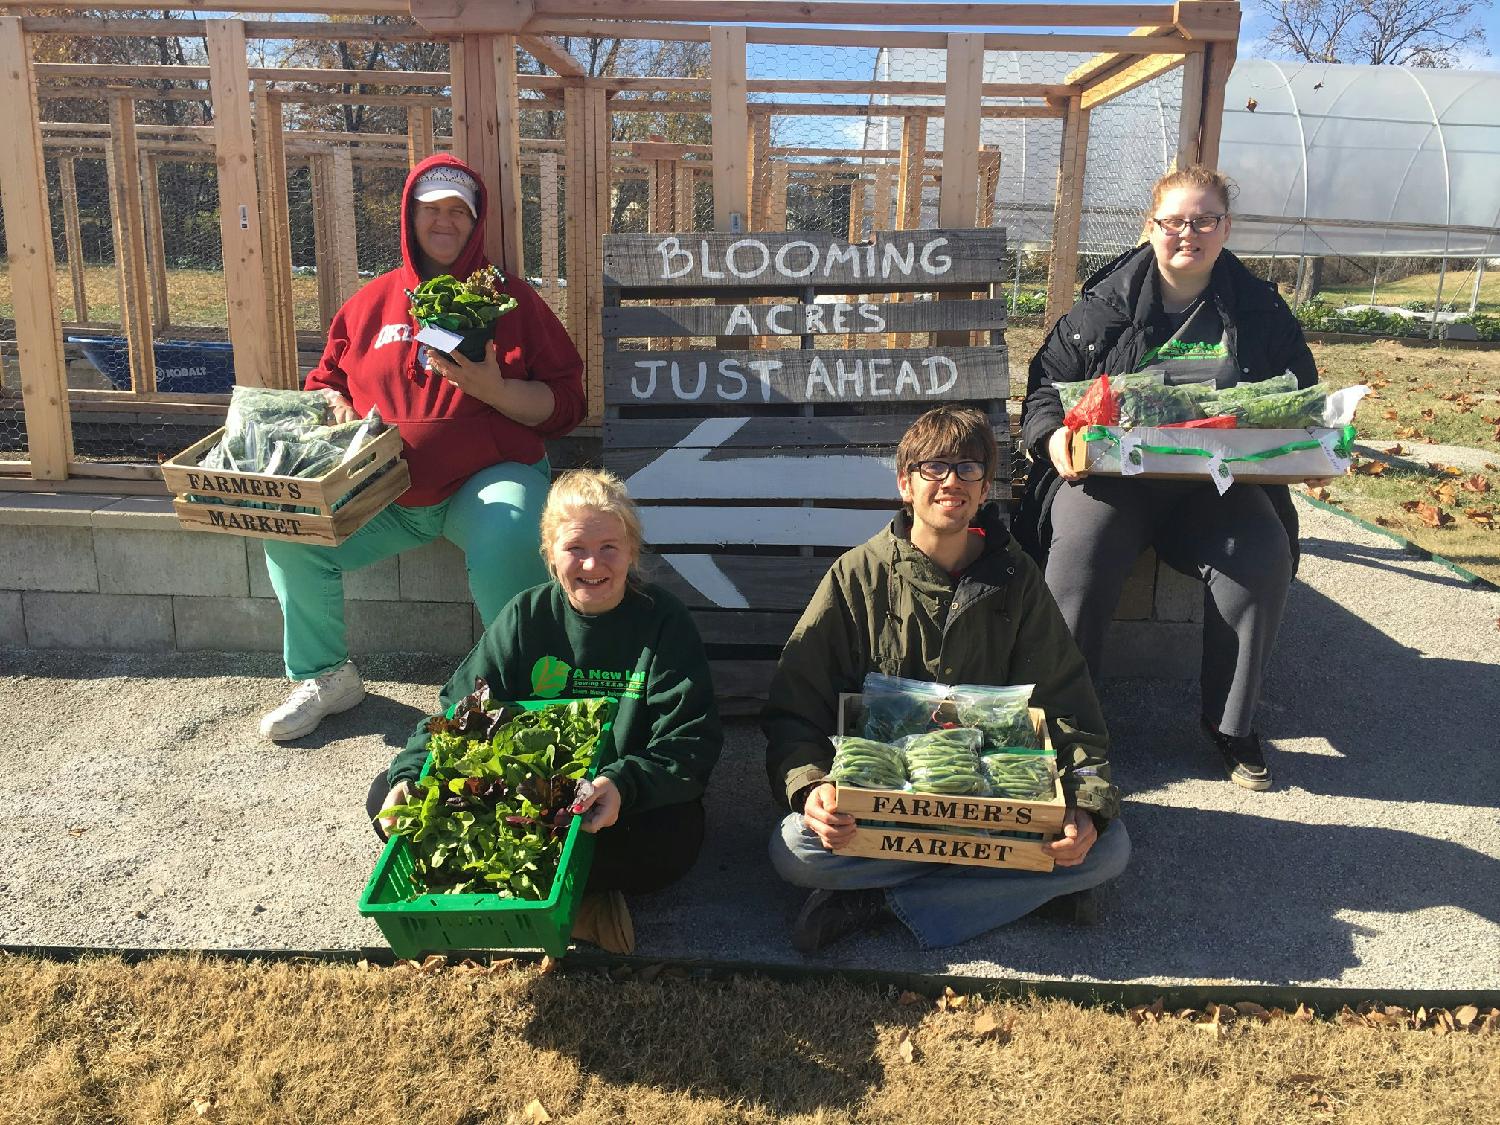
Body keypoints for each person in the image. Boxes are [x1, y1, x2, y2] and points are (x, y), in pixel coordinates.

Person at [762, 405, 1129, 953]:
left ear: (985, 490)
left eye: (969, 468)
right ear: (905, 485)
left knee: (1108, 846)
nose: (951, 481)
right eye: (933, 468)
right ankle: (1024, 887)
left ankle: (878, 902)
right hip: (888, 802)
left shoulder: (1016, 577)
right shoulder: (856, 575)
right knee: (794, 846)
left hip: (992, 798)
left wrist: (1082, 802)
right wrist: (812, 787)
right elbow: (797, 703)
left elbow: (1066, 702)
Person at [258, 153, 586, 742]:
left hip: (487, 478)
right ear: (409, 216)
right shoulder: (370, 303)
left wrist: (493, 389)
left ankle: (521, 683)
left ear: (476, 221)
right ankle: (327, 676)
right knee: (290, 529)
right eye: (431, 208)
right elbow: (327, 377)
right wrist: (337, 406)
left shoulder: (509, 299)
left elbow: (566, 402)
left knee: (513, 523)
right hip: (386, 491)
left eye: (457, 211)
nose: (444, 221)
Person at [1017, 165, 1319, 792]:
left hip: (1217, 485)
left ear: (1225, 227)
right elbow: (1046, 386)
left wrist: (1306, 448)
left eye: (1204, 220)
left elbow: (1301, 394)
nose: (1190, 233)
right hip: (1114, 480)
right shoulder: (1105, 305)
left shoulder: (1260, 310)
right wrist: (1053, 438)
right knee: (1081, 550)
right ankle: (1067, 726)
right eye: (1174, 221)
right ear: (1150, 227)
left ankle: (1230, 724)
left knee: (1261, 554)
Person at [370, 469, 723, 953]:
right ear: (551, 554)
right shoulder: (525, 616)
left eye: (609, 548)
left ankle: (506, 893)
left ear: (632, 552)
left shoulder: (664, 621)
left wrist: (622, 784)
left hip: (608, 804)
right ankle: (577, 907)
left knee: (677, 836)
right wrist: (409, 773)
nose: (592, 563)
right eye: (575, 548)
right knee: (387, 797)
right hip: (520, 799)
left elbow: (691, 740)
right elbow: (459, 710)